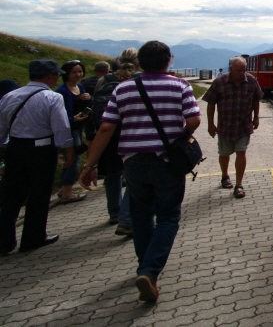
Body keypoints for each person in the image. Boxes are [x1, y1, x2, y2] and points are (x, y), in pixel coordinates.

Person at [80, 41, 201, 302]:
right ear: (169, 60)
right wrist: (177, 137)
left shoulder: (123, 89)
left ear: (139, 64)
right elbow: (193, 120)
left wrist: (90, 165)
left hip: (133, 162)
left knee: (141, 215)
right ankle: (150, 271)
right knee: (168, 217)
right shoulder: (180, 86)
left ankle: (144, 269)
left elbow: (105, 128)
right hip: (167, 161)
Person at [0, 60, 73, 253]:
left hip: (14, 147)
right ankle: (33, 237)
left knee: (11, 195)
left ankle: (4, 240)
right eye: (56, 75)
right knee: (39, 194)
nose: (58, 78)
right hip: (41, 149)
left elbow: (1, 128)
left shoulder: (9, 96)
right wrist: (68, 151)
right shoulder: (52, 97)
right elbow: (61, 128)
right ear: (48, 76)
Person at [92, 51, 139, 235]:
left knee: (113, 174)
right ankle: (127, 220)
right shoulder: (139, 81)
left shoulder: (103, 80)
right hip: (131, 134)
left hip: (109, 135)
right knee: (134, 177)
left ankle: (114, 212)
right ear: (138, 63)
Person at [202, 56, 262, 199]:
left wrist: (256, 117)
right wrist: (210, 124)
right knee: (225, 153)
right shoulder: (220, 82)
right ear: (231, 69)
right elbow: (210, 103)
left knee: (241, 152)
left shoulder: (251, 81)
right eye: (239, 70)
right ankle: (225, 176)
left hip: (244, 125)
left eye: (244, 70)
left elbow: (256, 99)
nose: (242, 72)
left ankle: (239, 184)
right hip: (225, 126)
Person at [55, 60, 91, 203]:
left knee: (74, 159)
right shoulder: (62, 91)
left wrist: (88, 99)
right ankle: (67, 192)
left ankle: (65, 189)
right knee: (72, 159)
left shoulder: (79, 86)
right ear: (67, 74)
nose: (78, 74)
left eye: (80, 71)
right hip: (69, 129)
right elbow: (59, 116)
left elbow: (86, 107)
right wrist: (72, 119)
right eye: (74, 72)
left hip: (77, 128)